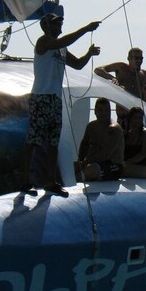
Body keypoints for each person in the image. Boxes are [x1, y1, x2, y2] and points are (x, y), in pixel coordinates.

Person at [25, 12, 101, 197]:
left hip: (55, 99)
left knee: (52, 142)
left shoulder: (61, 49)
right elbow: (61, 42)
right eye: (56, 22)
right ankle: (25, 181)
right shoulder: (44, 42)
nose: (60, 24)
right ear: (46, 26)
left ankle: (50, 182)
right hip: (41, 97)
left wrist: (89, 54)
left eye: (61, 21)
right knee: (34, 141)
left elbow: (77, 65)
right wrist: (85, 29)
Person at [76, 97, 124, 182]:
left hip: (112, 166)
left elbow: (105, 155)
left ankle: (78, 178)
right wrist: (80, 161)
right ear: (95, 111)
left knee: (92, 169)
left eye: (106, 110)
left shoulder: (113, 129)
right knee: (70, 166)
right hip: (92, 162)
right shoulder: (91, 126)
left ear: (110, 111)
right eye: (100, 110)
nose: (103, 113)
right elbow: (84, 144)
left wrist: (84, 163)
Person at [122, 106, 146, 178]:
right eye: (135, 118)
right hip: (129, 166)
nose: (138, 120)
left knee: (122, 169)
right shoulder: (126, 135)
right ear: (130, 119)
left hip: (145, 167)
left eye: (140, 118)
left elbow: (144, 153)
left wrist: (127, 162)